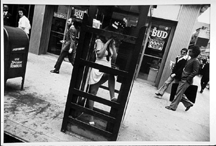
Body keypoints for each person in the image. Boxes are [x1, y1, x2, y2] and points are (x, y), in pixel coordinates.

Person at [88, 35, 119, 125]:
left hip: (107, 69)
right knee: (93, 92)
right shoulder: (99, 41)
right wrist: (107, 43)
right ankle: (91, 116)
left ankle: (112, 96)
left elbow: (114, 57)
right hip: (98, 69)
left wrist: (112, 45)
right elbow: (99, 54)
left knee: (111, 74)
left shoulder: (110, 45)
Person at [165, 45, 200, 111]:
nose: (189, 52)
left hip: (186, 80)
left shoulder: (195, 61)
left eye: (190, 51)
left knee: (179, 93)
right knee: (179, 93)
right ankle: (188, 104)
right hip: (183, 78)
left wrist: (188, 78)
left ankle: (173, 107)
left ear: (194, 53)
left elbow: (195, 72)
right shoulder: (191, 59)